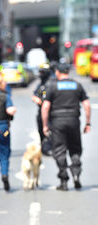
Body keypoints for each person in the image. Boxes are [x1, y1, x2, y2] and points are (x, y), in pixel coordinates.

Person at [41, 62, 91, 191]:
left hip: (58, 122)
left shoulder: (52, 86)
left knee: (59, 150)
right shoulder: (77, 85)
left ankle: (64, 180)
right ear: (68, 72)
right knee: (75, 149)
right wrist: (88, 123)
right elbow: (87, 105)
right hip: (74, 120)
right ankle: (76, 174)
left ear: (58, 72)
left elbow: (45, 107)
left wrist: (45, 125)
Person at [31, 63, 55, 156]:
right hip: (41, 111)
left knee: (50, 130)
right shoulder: (42, 83)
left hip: (51, 111)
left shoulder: (52, 82)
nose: (40, 74)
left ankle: (50, 148)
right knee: (41, 130)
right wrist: (36, 98)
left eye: (42, 72)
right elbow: (35, 94)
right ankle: (44, 147)